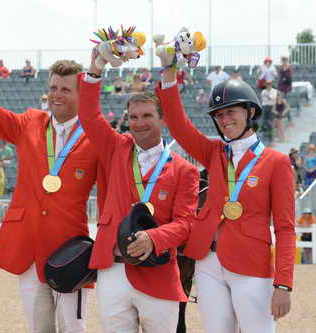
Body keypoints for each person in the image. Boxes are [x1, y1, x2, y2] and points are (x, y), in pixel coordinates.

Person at [0, 45, 106, 332]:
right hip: (28, 247)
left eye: (65, 89)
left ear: (81, 94)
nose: (56, 95)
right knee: (39, 328)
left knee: (74, 328)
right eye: (53, 87)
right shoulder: (30, 123)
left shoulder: (96, 136)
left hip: (70, 250)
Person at [157, 67, 295, 333]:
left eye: (231, 111)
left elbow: (285, 228)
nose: (224, 119)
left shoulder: (276, 163)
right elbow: (178, 125)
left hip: (252, 264)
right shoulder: (214, 153)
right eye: (219, 115)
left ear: (250, 112)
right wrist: (169, 77)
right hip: (208, 263)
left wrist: (283, 284)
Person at [78, 49, 199, 333]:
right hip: (113, 270)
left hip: (158, 270)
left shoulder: (184, 170)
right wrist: (96, 69)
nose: (139, 123)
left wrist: (153, 237)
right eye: (133, 117)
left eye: (146, 116)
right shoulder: (116, 148)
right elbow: (88, 115)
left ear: (163, 119)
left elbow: (186, 224)